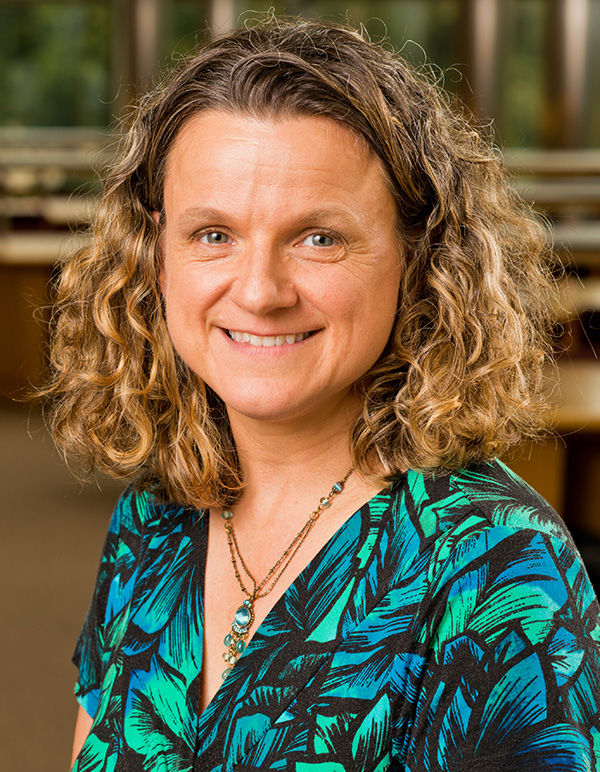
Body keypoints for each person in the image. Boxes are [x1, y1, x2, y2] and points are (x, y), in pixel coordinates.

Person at [43, 16, 600, 772]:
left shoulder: (498, 570)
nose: (260, 291)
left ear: (418, 255)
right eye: (213, 234)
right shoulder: (152, 522)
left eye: (319, 237)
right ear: (156, 254)